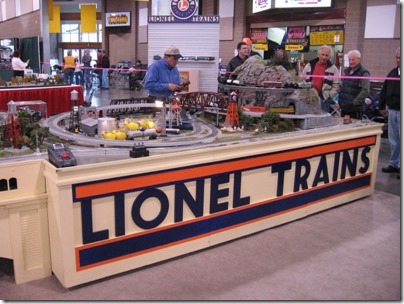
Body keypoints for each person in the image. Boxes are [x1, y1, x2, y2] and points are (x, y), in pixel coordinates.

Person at [379, 47, 400, 177]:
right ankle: (394, 163)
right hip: (392, 110)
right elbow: (384, 90)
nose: (398, 60)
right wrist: (381, 106)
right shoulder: (392, 73)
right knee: (393, 139)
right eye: (397, 57)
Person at [302, 45, 341, 113]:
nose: (324, 57)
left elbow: (337, 85)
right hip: (309, 98)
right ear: (318, 54)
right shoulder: (309, 65)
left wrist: (328, 96)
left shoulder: (333, 68)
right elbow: (302, 79)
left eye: (326, 55)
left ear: (329, 57)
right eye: (322, 54)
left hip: (324, 99)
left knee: (323, 120)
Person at [338, 50, 370, 119]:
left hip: (355, 110)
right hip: (344, 108)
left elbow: (365, 90)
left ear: (359, 59)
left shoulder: (364, 73)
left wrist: (354, 103)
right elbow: (343, 87)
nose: (351, 62)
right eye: (350, 60)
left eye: (353, 59)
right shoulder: (346, 72)